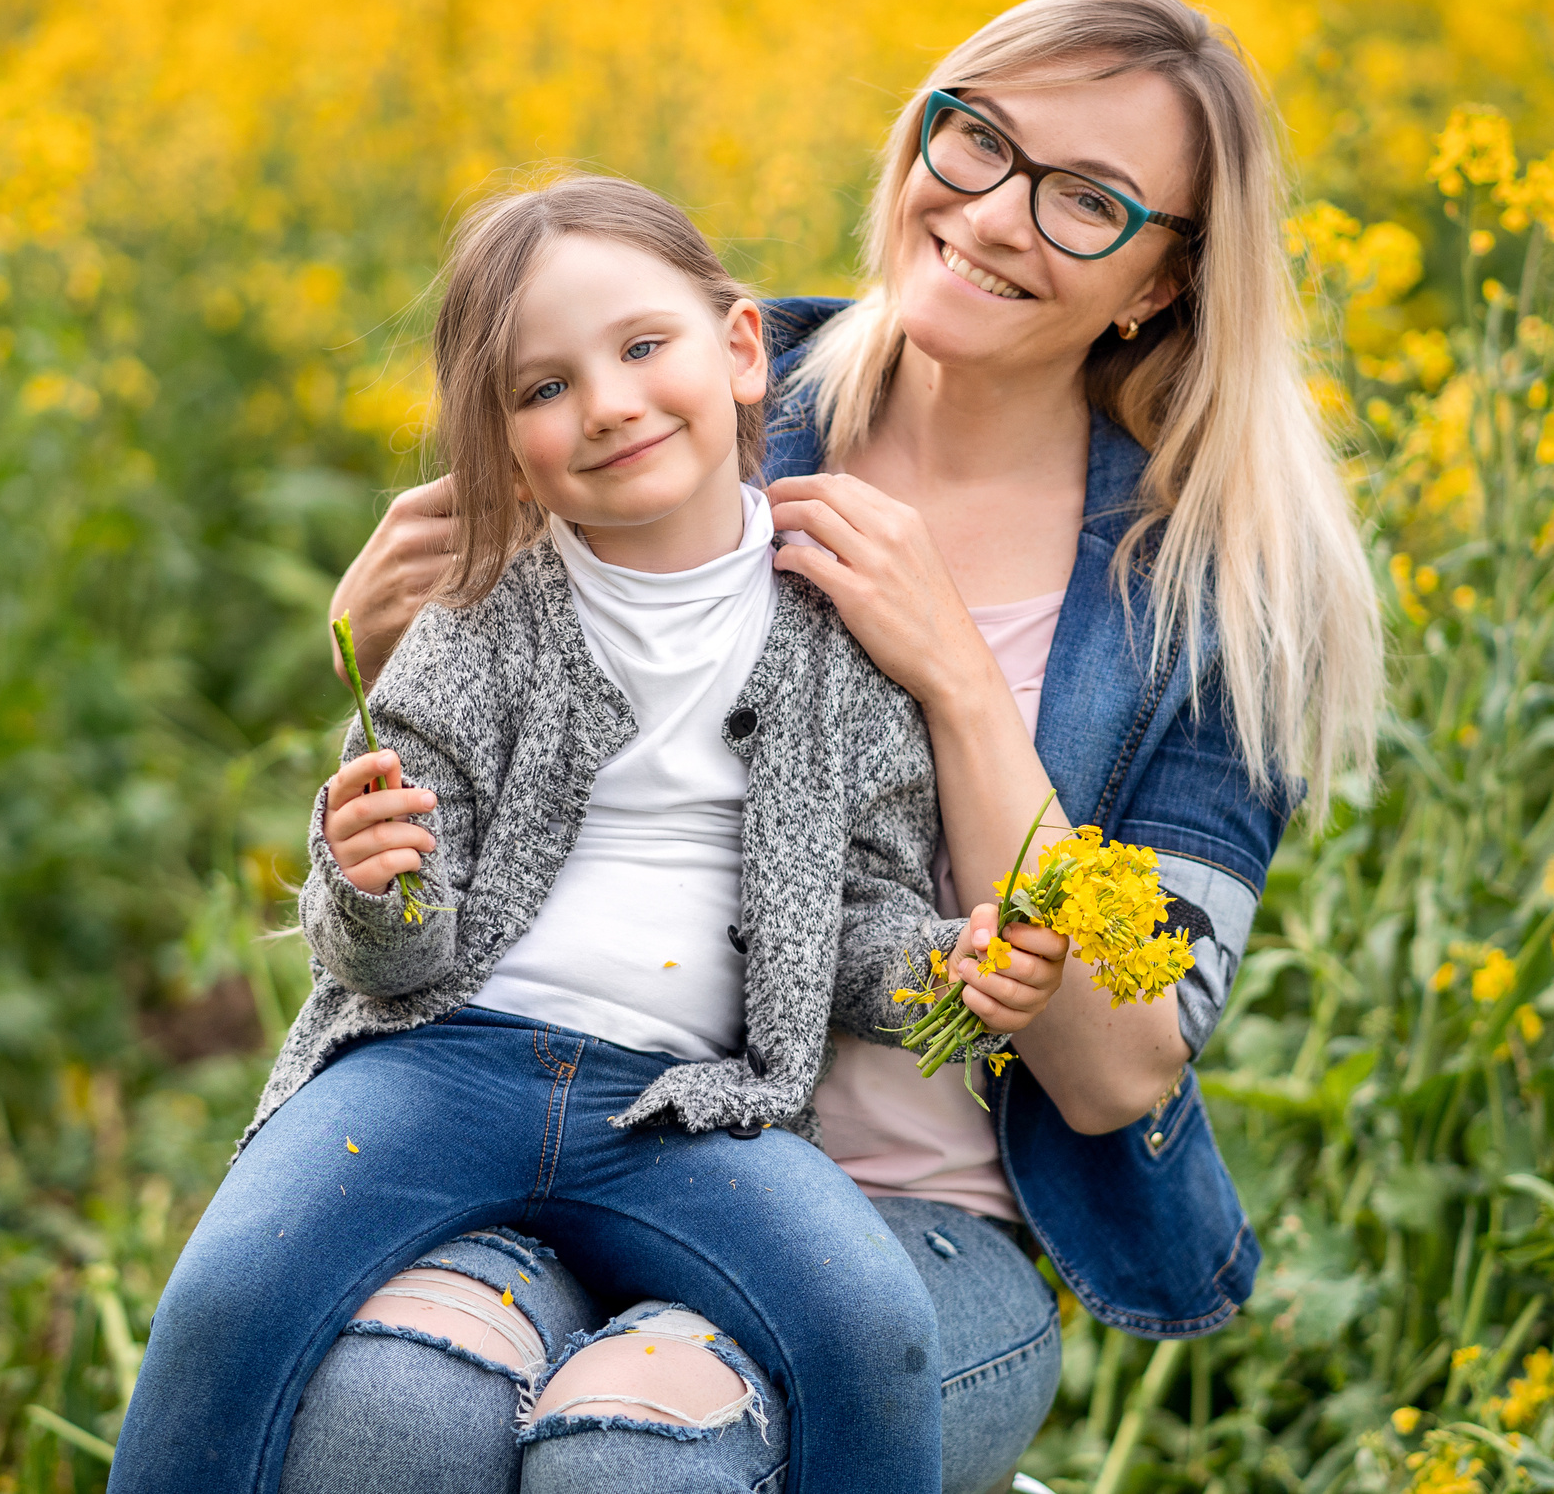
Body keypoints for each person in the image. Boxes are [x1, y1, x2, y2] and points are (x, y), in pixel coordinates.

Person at [326, 0, 1385, 1492]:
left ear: (1163, 279)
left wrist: (958, 679)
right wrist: (386, 666)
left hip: (917, 1225)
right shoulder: (696, 393)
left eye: (1089, 201)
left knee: (635, 1465)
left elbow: (1118, 1070)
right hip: (576, 1145)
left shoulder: (1209, 598)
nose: (997, 215)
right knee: (389, 1409)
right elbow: (487, 813)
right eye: (981, 142)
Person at [113, 176, 1068, 1494]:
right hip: (440, 1067)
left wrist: (947, 971)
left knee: (870, 1328)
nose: (608, 403)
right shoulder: (478, 619)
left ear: (741, 351)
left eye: (640, 348)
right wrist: (374, 882)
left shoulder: (842, 637)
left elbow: (854, 916)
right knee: (228, 1302)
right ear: (501, 448)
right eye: (541, 388)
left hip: (688, 1110)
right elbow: (385, 953)